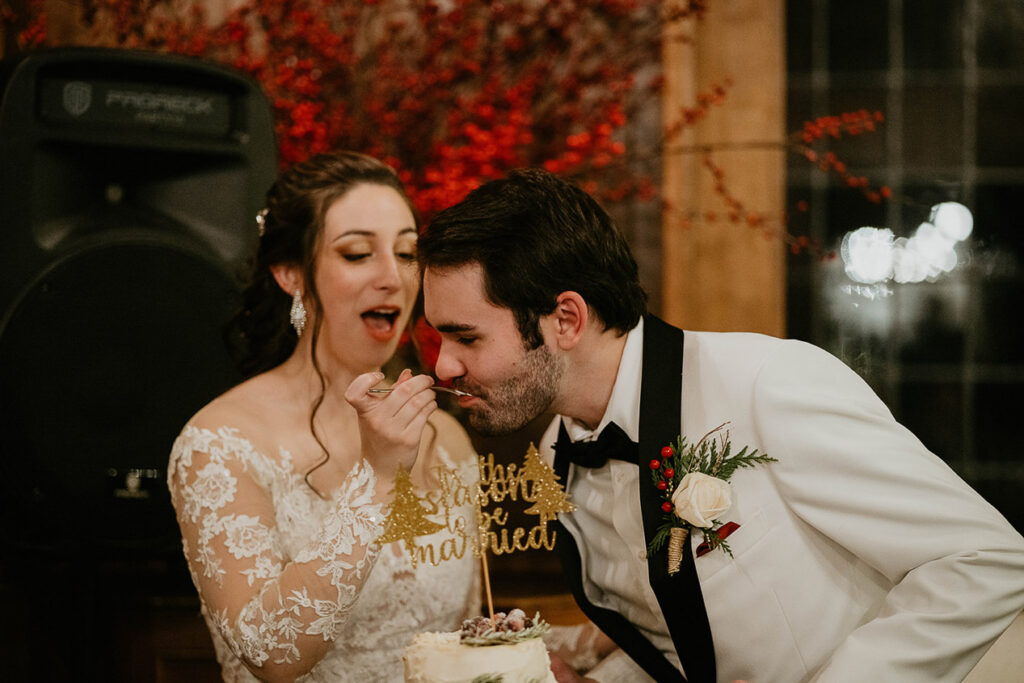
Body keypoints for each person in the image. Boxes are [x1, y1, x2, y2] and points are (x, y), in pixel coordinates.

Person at [417, 168, 1024, 683]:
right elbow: (680, 637)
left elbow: (985, 559)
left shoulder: (768, 385)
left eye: (465, 336)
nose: (443, 364)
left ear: (566, 319)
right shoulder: (560, 449)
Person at [167, 152, 480, 682]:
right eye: (357, 253)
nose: (392, 277)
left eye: (406, 252)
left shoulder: (444, 435)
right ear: (291, 273)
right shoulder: (218, 443)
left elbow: (468, 638)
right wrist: (377, 478)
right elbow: (270, 652)